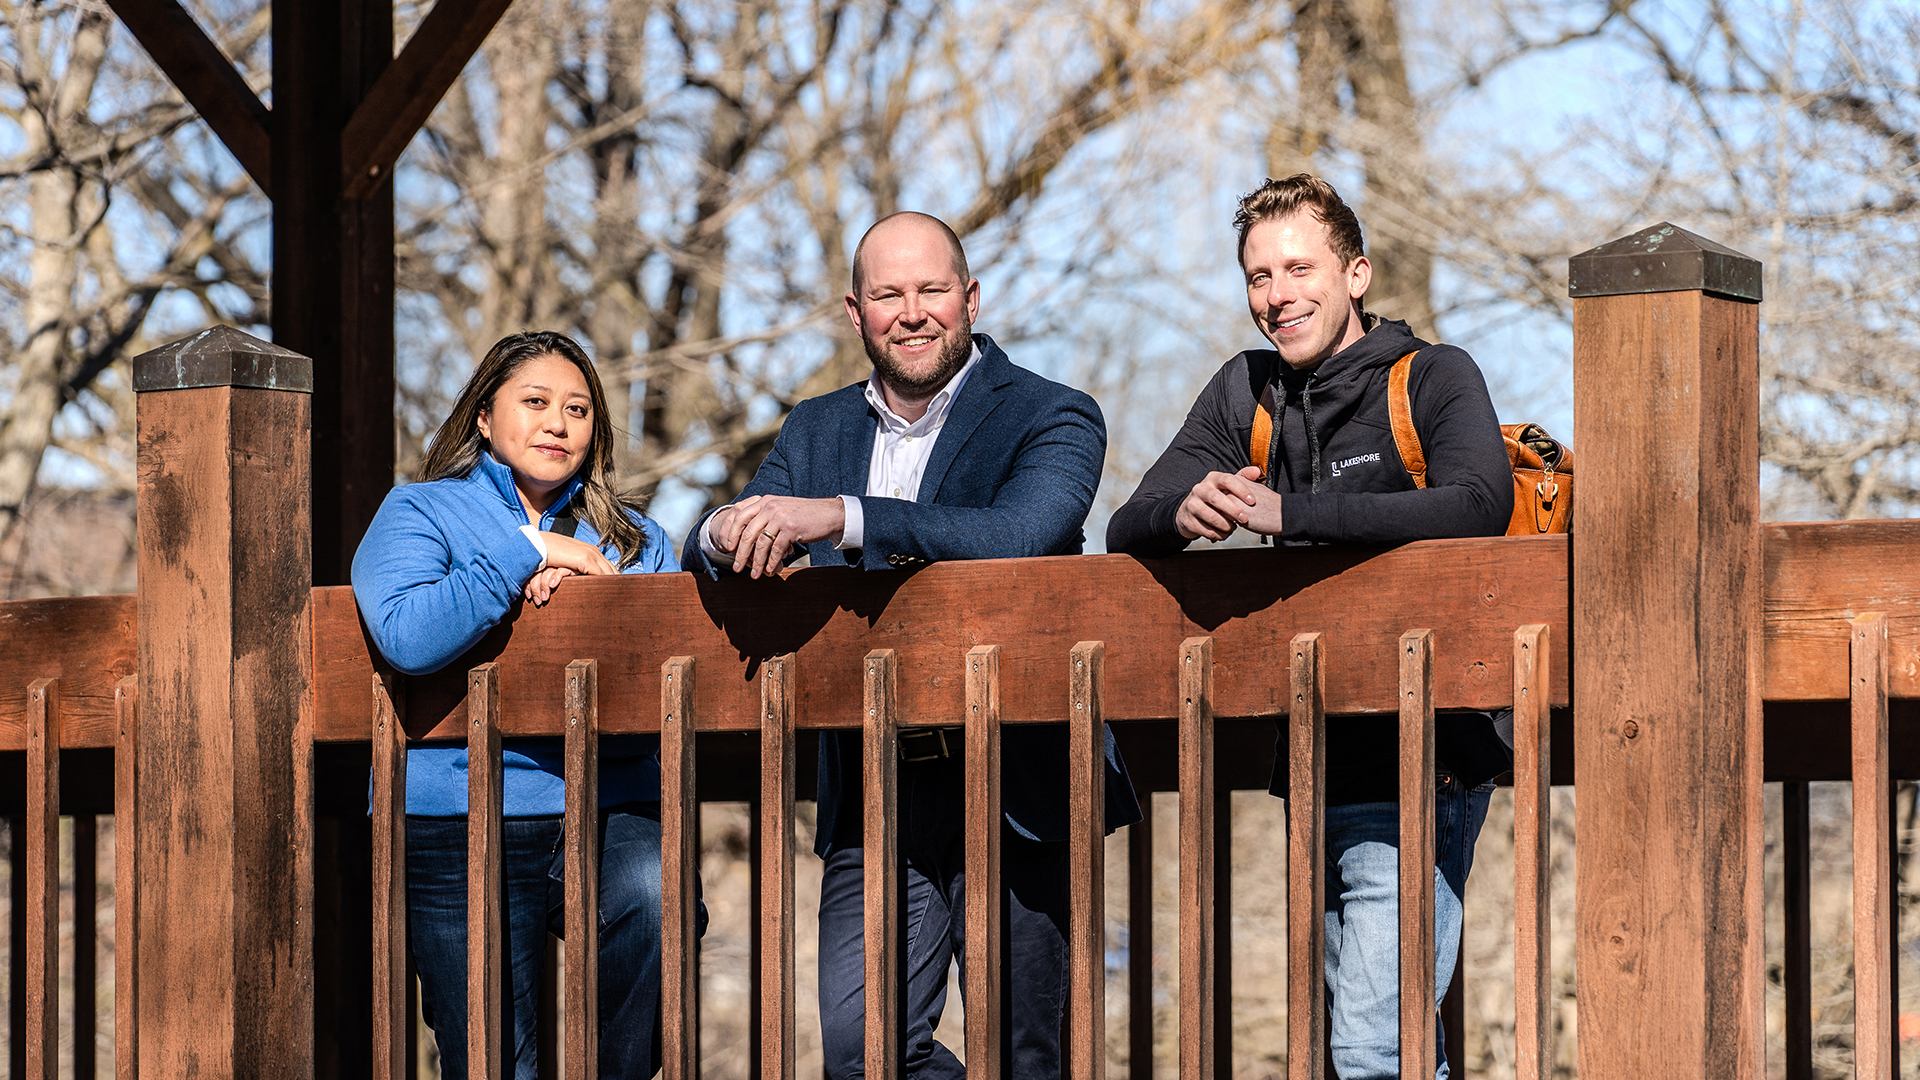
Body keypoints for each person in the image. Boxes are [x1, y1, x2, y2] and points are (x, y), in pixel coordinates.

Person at [681, 211, 1140, 1079]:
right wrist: (721, 532)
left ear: (969, 299)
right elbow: (718, 536)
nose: (913, 311)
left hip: (1019, 781)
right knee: (862, 1056)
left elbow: (1019, 535)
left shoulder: (1053, 414)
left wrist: (843, 518)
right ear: (855, 313)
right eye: (889, 294)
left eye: (932, 290)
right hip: (872, 784)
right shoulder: (814, 430)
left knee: (1027, 1055)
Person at [1107, 175, 1514, 1080]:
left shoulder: (1435, 376)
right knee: (1361, 1051)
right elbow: (1126, 524)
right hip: (1310, 756)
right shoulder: (1242, 392)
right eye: (1259, 277)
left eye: (1299, 267)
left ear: (1357, 273)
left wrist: (1291, 515)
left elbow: (1481, 504)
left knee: (1374, 1052)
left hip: (1428, 750)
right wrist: (1187, 509)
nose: (1278, 294)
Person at [352, 330, 698, 1079]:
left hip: (609, 798)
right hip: (454, 811)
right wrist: (527, 554)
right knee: (491, 1058)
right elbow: (408, 636)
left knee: (659, 901)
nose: (558, 423)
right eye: (535, 402)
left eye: (578, 409)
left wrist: (595, 595)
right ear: (483, 417)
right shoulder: (418, 512)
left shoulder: (636, 538)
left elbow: (671, 660)